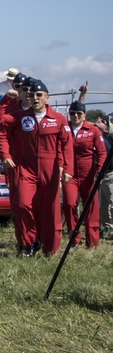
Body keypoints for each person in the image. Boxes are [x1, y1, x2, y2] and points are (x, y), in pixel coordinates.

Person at [11, 80, 73, 257]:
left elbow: (67, 145)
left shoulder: (59, 119)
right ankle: (30, 241)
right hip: (27, 168)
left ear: (47, 98)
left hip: (50, 168)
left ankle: (50, 249)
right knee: (22, 204)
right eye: (32, 95)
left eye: (39, 95)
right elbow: (2, 129)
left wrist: (67, 169)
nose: (35, 98)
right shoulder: (20, 117)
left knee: (51, 210)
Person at [0, 72, 34, 254]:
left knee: (36, 205)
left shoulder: (37, 109)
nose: (21, 92)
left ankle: (36, 238)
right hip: (14, 164)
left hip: (36, 163)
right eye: (17, 87)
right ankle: (24, 241)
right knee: (18, 205)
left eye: (24, 89)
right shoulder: (9, 107)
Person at [62, 101, 107, 248]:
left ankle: (92, 241)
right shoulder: (65, 129)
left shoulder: (93, 130)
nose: (75, 116)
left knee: (91, 207)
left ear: (84, 115)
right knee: (69, 204)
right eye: (73, 113)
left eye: (79, 113)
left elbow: (102, 152)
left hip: (89, 174)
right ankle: (74, 238)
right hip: (70, 174)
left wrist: (99, 173)